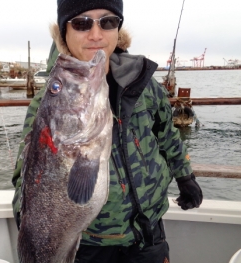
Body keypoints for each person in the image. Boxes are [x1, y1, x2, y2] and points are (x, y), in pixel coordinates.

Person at [12, 0, 203, 262]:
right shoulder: (45, 104)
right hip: (88, 244)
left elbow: (167, 136)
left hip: (148, 234)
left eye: (108, 22)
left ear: (118, 29)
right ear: (64, 32)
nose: (95, 34)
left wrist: (185, 176)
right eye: (81, 23)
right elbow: (26, 178)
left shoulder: (144, 85)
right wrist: (36, 234)